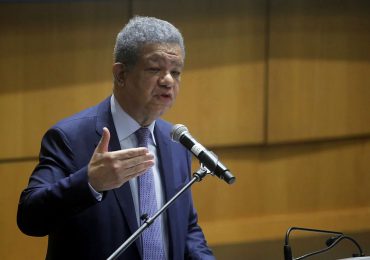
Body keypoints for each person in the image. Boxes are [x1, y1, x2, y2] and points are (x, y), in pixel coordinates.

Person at [17, 16, 215, 260]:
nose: (168, 81)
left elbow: (186, 229)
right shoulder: (69, 138)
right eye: (155, 69)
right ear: (121, 74)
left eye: (176, 72)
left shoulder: (176, 141)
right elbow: (29, 218)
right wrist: (89, 182)